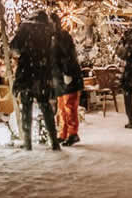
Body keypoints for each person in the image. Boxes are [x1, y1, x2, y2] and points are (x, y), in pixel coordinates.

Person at [10, 10, 61, 151]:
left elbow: (14, 48)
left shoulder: (25, 28)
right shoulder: (49, 30)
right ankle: (54, 141)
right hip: (42, 74)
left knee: (26, 108)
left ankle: (27, 143)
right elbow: (53, 53)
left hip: (27, 73)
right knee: (46, 108)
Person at [50, 13, 83, 147]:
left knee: (69, 106)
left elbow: (68, 56)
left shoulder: (62, 37)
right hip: (58, 77)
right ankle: (63, 133)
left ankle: (72, 133)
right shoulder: (52, 38)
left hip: (67, 76)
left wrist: (67, 72)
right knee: (62, 107)